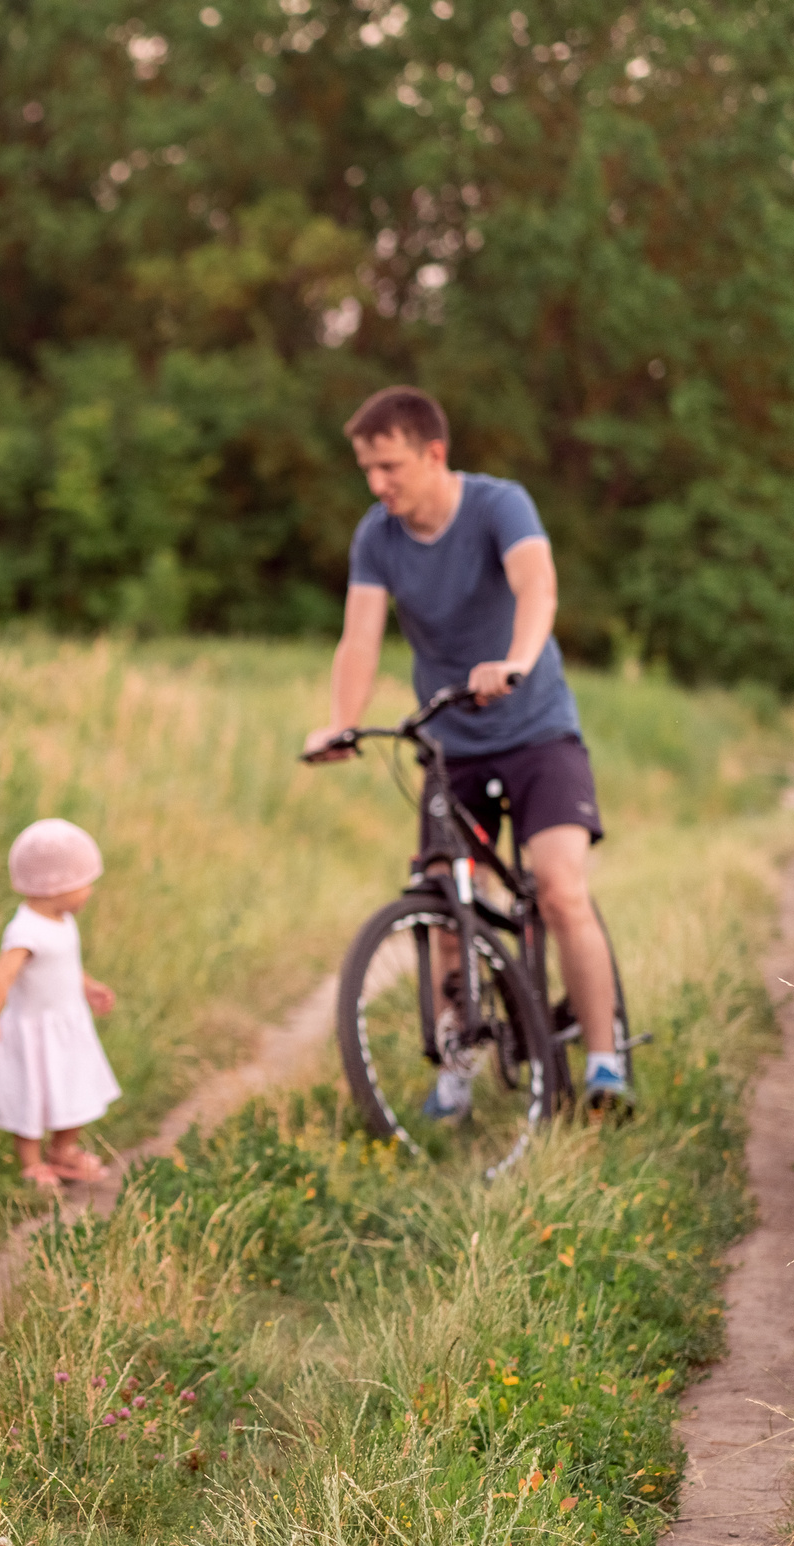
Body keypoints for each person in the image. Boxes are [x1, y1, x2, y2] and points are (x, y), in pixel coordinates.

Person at [303, 385, 627, 1110]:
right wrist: (339, 722)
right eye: (367, 469)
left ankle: (606, 1061)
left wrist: (513, 660)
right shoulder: (376, 537)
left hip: (537, 728)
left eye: (388, 466)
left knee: (559, 887)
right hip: (453, 744)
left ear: (433, 453)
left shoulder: (497, 504)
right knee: (450, 903)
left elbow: (536, 586)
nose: (376, 483)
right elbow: (359, 637)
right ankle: (459, 1062)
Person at [0, 818, 122, 1189]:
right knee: (32, 1093)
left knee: (74, 1086)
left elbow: (65, 964)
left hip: (67, 1024)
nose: (89, 891)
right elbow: (1, 978)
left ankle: (63, 1152)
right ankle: (31, 1162)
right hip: (34, 1030)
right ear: (56, 886)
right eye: (84, 883)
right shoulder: (26, 930)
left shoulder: (62, 918)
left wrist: (88, 986)